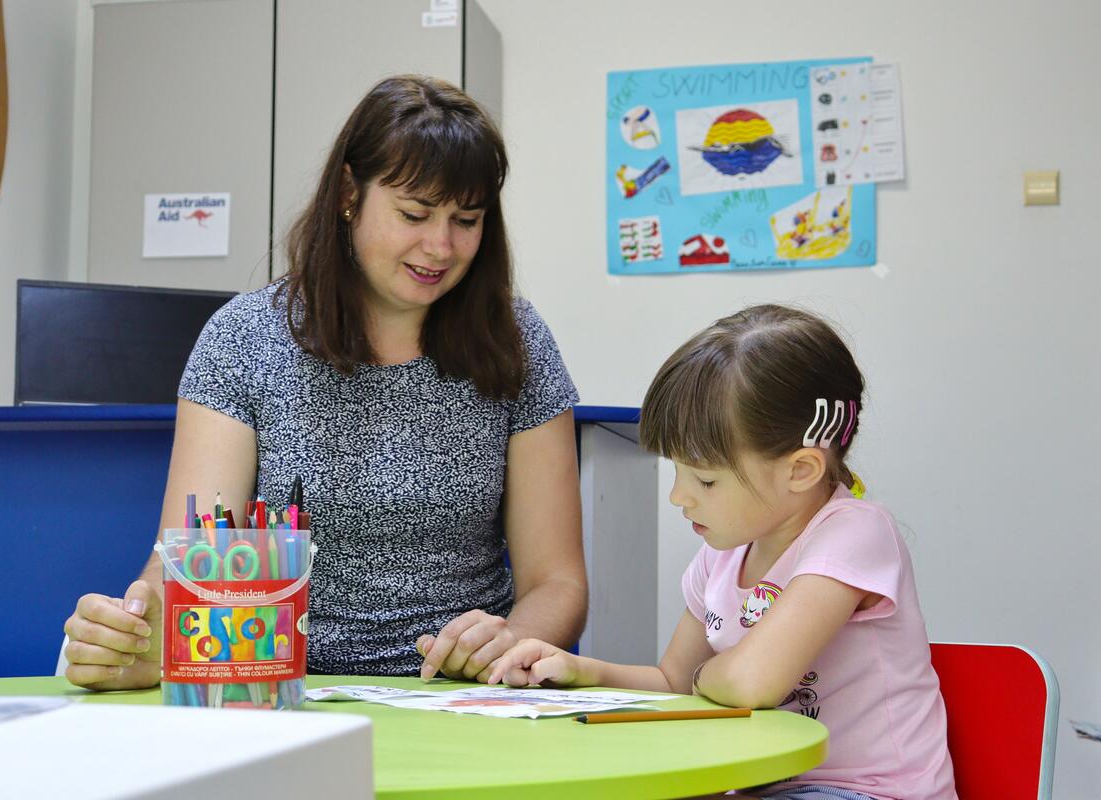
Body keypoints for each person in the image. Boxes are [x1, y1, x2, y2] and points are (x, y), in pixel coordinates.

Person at [62, 75, 588, 690]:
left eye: (465, 220)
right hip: (281, 688)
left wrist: (509, 640)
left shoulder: (515, 339)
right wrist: (140, 631)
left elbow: (559, 583)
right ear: (348, 194)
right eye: (414, 214)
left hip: (464, 694)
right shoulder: (245, 338)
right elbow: (188, 561)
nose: (440, 246)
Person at [489, 305, 956, 800]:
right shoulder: (724, 552)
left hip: (866, 791)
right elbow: (674, 682)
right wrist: (585, 672)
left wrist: (704, 677)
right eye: (677, 471)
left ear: (800, 470)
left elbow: (751, 683)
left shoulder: (855, 534)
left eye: (706, 479)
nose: (678, 497)